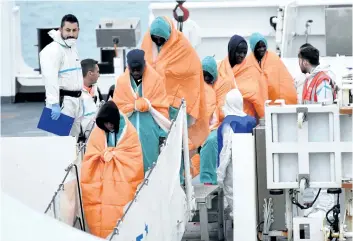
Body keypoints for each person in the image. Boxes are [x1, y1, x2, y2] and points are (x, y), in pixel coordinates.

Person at [141, 16, 209, 151]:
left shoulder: (182, 46)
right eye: (155, 39)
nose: (159, 42)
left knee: (174, 141)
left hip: (174, 104)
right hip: (153, 102)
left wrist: (169, 72)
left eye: (162, 39)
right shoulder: (147, 44)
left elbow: (193, 70)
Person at [80, 101, 144, 238]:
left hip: (122, 181)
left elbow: (133, 158)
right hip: (101, 181)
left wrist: (112, 155)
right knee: (99, 212)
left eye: (110, 123)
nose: (108, 126)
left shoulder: (129, 133)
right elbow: (91, 155)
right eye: (105, 123)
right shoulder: (98, 133)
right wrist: (104, 155)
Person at [113, 49, 170, 173]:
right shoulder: (121, 83)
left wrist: (162, 135)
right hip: (128, 133)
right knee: (129, 167)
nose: (136, 72)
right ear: (128, 66)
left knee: (151, 167)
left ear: (144, 64)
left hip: (150, 132)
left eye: (139, 68)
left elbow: (162, 109)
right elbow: (118, 110)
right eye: (133, 69)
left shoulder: (156, 80)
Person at [40, 14, 83, 137]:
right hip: (61, 102)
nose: (71, 34)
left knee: (75, 143)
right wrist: (54, 103)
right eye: (68, 30)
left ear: (78, 30)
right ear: (60, 30)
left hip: (76, 102)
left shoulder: (72, 47)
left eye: (74, 30)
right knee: (58, 144)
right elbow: (50, 79)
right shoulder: (52, 50)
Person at [191, 56, 233, 184]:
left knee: (210, 142)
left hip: (218, 125)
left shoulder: (223, 84)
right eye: (203, 75)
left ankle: (208, 181)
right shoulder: (196, 86)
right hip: (199, 126)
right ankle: (183, 179)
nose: (206, 79)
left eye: (208, 76)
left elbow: (221, 110)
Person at [216, 89, 257, 216]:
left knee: (235, 201)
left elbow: (226, 152)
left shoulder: (228, 124)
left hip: (233, 168)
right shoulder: (251, 121)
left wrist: (220, 175)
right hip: (251, 166)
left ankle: (240, 228)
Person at [218, 35, 266, 120]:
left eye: (244, 52)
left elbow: (257, 96)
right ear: (232, 50)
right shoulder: (220, 67)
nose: (242, 55)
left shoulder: (251, 69)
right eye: (239, 52)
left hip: (246, 119)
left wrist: (264, 118)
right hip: (223, 119)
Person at [248, 32, 297, 104]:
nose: (262, 49)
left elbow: (272, 83)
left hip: (283, 99)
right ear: (253, 47)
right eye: (259, 47)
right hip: (273, 100)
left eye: (263, 46)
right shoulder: (250, 61)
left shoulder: (272, 58)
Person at [79, 58, 103, 140]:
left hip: (97, 139)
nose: (99, 75)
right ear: (90, 73)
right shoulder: (73, 94)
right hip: (81, 142)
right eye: (97, 72)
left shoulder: (97, 90)